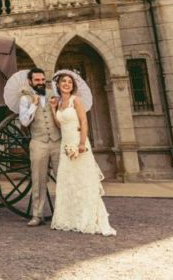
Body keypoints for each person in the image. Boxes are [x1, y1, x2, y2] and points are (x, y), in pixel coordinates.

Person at [49, 72, 116, 236]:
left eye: (69, 82)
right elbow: (59, 124)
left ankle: (89, 217)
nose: (66, 84)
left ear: (73, 86)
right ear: (58, 85)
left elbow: (84, 121)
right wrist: (52, 109)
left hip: (78, 143)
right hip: (65, 145)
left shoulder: (76, 100)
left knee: (83, 179)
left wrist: (81, 143)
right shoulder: (58, 103)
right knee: (69, 180)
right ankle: (70, 218)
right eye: (63, 81)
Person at [18, 67, 60, 227]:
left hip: (57, 141)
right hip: (38, 142)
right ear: (30, 82)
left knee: (62, 178)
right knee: (38, 180)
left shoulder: (54, 95)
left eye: (42, 80)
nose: (41, 83)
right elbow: (24, 122)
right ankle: (37, 214)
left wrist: (55, 107)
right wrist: (34, 105)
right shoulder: (25, 99)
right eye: (37, 80)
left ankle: (63, 212)